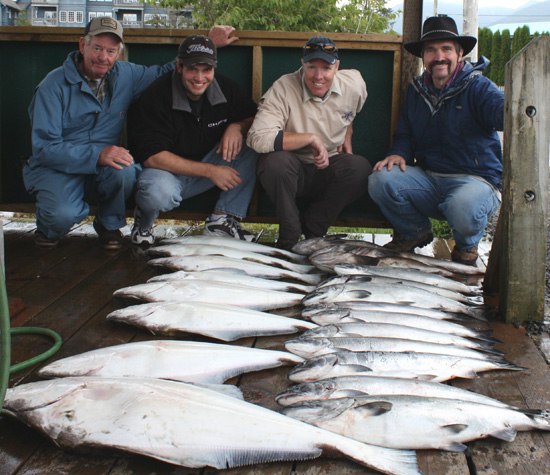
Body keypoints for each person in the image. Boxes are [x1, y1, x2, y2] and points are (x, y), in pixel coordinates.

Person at [23, 17, 238, 249]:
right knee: (60, 216)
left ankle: (109, 226)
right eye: (97, 48)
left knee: (125, 170)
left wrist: (208, 44)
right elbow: (44, 148)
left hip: (104, 167)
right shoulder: (52, 86)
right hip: (58, 167)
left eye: (111, 51)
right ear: (82, 45)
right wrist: (97, 154)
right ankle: (48, 227)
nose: (103, 57)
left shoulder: (126, 75)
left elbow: (168, 72)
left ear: (118, 53)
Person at [368, 15, 504, 266]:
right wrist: (399, 153)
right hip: (431, 179)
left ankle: (466, 249)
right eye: (431, 50)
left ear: (460, 53)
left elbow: (503, 114)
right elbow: (405, 134)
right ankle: (415, 233)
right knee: (380, 179)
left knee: (464, 204)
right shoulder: (417, 90)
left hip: (476, 182)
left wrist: (516, 108)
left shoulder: (479, 87)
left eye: (446, 49)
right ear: (423, 56)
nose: (438, 56)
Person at [128, 34, 258, 245]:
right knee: (156, 192)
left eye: (206, 70)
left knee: (254, 142)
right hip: (166, 174)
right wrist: (210, 171)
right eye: (192, 69)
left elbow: (255, 117)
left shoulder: (225, 87)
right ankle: (144, 222)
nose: (200, 78)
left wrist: (238, 126)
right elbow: (152, 157)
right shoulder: (157, 95)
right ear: (179, 67)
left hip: (208, 166)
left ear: (214, 69)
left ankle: (220, 219)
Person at [247, 36, 372, 250]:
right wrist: (310, 139)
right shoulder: (283, 87)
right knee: (273, 162)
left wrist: (348, 131)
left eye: (326, 67)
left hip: (328, 167)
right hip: (291, 170)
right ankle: (289, 234)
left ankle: (315, 228)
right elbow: (257, 137)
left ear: (337, 67)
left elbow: (352, 111)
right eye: (312, 67)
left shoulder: (355, 84)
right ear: (302, 64)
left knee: (361, 168)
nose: (319, 76)